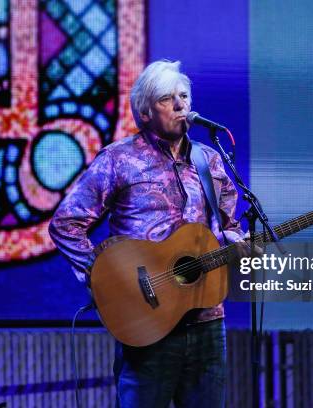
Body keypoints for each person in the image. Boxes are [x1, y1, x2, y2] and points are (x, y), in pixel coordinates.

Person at [49, 60, 248, 407]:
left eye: (184, 96)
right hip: (147, 323)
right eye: (167, 98)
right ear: (144, 112)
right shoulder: (119, 159)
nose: (180, 105)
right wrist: (108, 276)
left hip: (207, 322)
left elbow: (228, 229)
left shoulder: (211, 162)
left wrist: (239, 245)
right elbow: (66, 224)